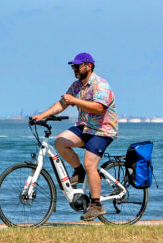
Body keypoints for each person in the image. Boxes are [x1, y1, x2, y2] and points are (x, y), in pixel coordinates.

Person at [31, 52, 117, 221]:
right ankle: (79, 172)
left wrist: (75, 101)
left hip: (102, 130)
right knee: (60, 142)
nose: (74, 69)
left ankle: (96, 205)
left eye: (77, 66)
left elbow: (99, 108)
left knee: (90, 163)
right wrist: (41, 116)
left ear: (88, 66)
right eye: (73, 66)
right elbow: (62, 103)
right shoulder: (76, 86)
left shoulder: (100, 85)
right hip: (84, 128)